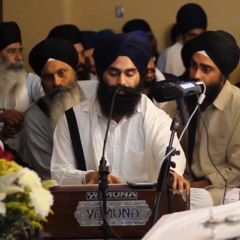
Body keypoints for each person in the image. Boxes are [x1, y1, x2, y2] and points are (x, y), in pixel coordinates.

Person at [51, 32, 213, 209]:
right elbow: (59, 172)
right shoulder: (72, 119)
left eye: (130, 74)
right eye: (113, 73)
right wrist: (87, 177)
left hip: (145, 204)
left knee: (202, 198)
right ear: (99, 73)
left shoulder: (154, 115)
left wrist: (171, 173)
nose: (122, 81)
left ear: (140, 76)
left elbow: (166, 150)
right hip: (94, 205)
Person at [179, 30, 240, 205]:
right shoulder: (180, 101)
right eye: (193, 65)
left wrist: (200, 184)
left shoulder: (237, 105)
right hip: (182, 185)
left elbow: (237, 169)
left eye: (206, 69)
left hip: (221, 189)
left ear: (223, 75)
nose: (196, 75)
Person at [20, 38, 85, 180]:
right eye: (48, 77)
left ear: (74, 72)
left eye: (62, 73)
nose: (56, 82)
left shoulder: (94, 101)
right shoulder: (35, 117)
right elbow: (49, 174)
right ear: (41, 81)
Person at [0, 21, 43, 151]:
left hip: (25, 155)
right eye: (11, 51)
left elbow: (49, 98)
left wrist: (22, 119)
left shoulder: (31, 81)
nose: (19, 57)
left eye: (20, 50)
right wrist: (2, 114)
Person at [156, 3, 207, 76]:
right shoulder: (169, 54)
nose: (197, 40)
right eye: (192, 36)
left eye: (201, 36)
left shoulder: (208, 53)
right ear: (182, 36)